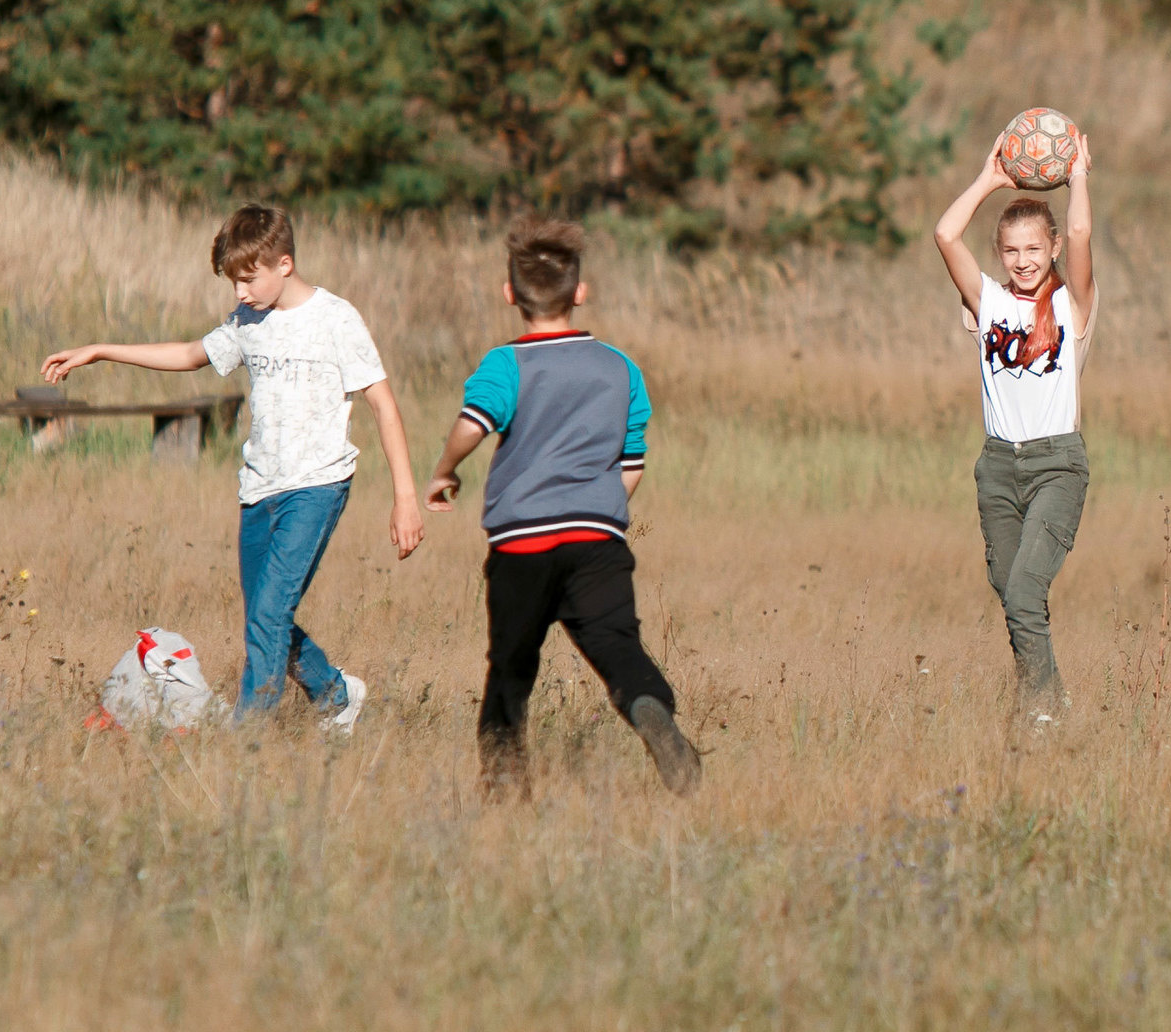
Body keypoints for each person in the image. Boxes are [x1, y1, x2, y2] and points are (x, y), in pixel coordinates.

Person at [41, 204, 422, 727]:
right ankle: (336, 697)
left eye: (248, 279)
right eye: (233, 283)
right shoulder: (248, 320)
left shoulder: (335, 318)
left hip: (317, 486)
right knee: (265, 619)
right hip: (258, 489)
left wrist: (405, 497)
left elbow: (384, 403)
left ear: (283, 263)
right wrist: (100, 351)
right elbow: (190, 354)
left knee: (267, 617)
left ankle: (245, 746)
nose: (240, 293)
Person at [420, 218, 700, 798]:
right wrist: (601, 510)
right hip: (597, 540)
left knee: (512, 667)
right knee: (618, 647)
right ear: (580, 292)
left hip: (521, 542)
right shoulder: (620, 368)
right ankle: (650, 708)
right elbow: (633, 461)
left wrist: (446, 471)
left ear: (509, 294)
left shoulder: (507, 363)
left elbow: (474, 423)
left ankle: (503, 785)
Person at [932, 130, 1097, 723]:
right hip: (999, 466)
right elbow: (946, 235)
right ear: (1000, 255)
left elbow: (1080, 231)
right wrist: (990, 178)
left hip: (1056, 465)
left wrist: (1077, 173)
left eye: (1034, 248)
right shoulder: (988, 302)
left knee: (1026, 594)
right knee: (1011, 591)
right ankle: (1048, 692)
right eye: (1011, 251)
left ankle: (1043, 712)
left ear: (1051, 248)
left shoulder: (1071, 304)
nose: (1023, 261)